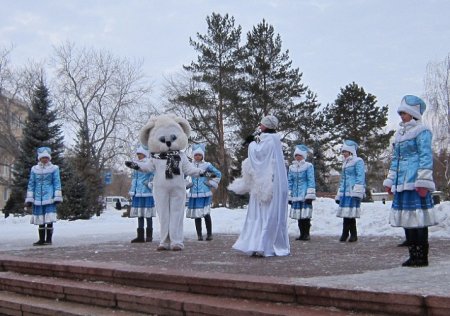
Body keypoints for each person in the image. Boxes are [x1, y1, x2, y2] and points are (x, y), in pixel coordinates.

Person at [383, 95, 438, 267]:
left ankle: (422, 256)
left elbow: (425, 156)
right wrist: (391, 180)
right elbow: (395, 160)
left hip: (415, 181)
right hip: (402, 182)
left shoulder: (422, 131)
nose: (401, 115)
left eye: (404, 112)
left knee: (419, 219)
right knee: (407, 219)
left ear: (413, 113)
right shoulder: (400, 135)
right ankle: (413, 254)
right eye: (400, 113)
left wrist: (423, 181)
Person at [229, 115, 290, 257]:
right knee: (264, 214)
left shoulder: (269, 140)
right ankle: (259, 243)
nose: (259, 126)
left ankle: (263, 245)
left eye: (262, 125)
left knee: (265, 213)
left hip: (266, 183)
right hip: (266, 182)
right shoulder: (273, 140)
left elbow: (258, 155)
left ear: (266, 126)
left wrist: (251, 144)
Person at [24, 147, 62, 246]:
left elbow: (56, 182)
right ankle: (41, 239)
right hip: (37, 198)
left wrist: (57, 196)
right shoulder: (34, 169)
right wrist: (29, 198)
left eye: (46, 157)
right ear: (39, 158)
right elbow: (31, 183)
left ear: (49, 158)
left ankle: (48, 239)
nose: (44, 159)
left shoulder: (54, 168)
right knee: (40, 219)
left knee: (49, 218)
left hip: (49, 197)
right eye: (42, 158)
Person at [186, 144, 222, 241]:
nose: (197, 156)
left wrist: (210, 182)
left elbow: (217, 174)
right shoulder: (189, 166)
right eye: (196, 155)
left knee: (206, 214)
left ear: (202, 156)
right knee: (197, 215)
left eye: (199, 155)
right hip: (194, 193)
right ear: (193, 155)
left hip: (205, 193)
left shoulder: (207, 165)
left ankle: (209, 234)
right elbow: (183, 176)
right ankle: (199, 235)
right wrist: (187, 184)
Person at [335, 140, 365, 242]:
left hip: (353, 191)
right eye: (343, 152)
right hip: (345, 192)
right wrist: (339, 193)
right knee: (345, 213)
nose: (343, 154)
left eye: (345, 152)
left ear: (351, 151)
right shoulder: (345, 164)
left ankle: (353, 234)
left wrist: (357, 190)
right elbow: (343, 179)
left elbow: (360, 176)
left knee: (351, 214)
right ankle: (345, 233)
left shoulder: (358, 161)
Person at [288, 144, 316, 241]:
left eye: (299, 155)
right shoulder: (292, 167)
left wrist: (310, 194)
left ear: (303, 156)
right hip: (296, 194)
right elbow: (290, 181)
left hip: (305, 194)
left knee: (305, 215)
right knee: (299, 216)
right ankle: (301, 234)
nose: (297, 157)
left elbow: (310, 180)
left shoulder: (308, 166)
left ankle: (306, 234)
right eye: (296, 155)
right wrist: (289, 194)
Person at [128, 145, 156, 243]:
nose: (139, 156)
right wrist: (133, 190)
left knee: (148, 215)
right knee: (140, 214)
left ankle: (149, 236)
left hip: (147, 193)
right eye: (138, 154)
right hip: (138, 194)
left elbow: (154, 176)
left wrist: (149, 184)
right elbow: (134, 179)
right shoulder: (135, 164)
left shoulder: (149, 163)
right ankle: (140, 236)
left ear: (145, 154)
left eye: (140, 154)